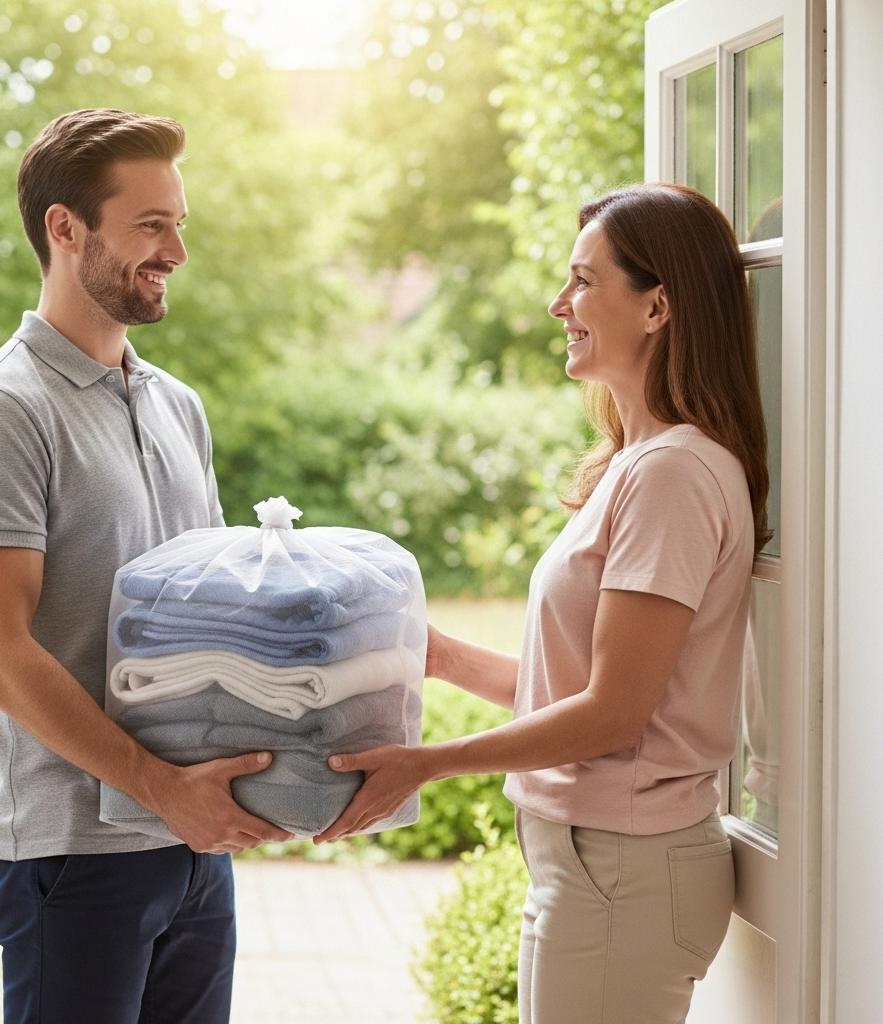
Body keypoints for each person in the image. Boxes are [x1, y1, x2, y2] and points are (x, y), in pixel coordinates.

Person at [316, 182, 770, 1024]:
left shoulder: (672, 473)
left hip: (624, 874)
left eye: (584, 282)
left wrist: (427, 764)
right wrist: (446, 659)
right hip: (598, 869)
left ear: (658, 306)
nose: (559, 303)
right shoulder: (636, 463)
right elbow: (593, 683)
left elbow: (613, 717)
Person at [0, 108, 291, 1024]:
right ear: (65, 227)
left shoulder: (177, 405)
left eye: (179, 224)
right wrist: (162, 788)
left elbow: (211, 608)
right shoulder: (1, 413)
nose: (175, 250)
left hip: (192, 840)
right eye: (150, 225)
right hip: (71, 851)